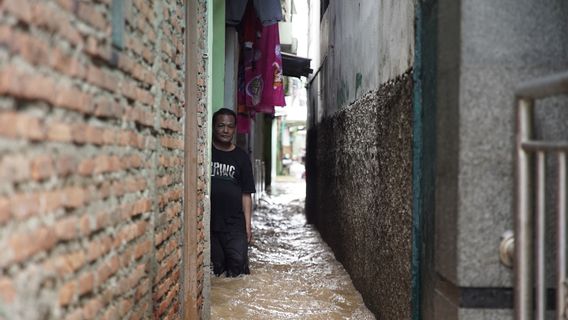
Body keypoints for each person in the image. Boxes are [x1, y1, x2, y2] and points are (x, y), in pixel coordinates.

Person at [210, 108, 256, 277]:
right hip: (211, 223)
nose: (225, 130)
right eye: (221, 125)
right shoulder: (207, 153)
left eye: (229, 126)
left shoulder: (241, 157)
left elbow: (246, 194)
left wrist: (247, 225)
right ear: (214, 127)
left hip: (235, 224)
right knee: (218, 268)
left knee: (237, 265)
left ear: (235, 129)